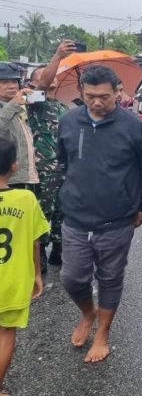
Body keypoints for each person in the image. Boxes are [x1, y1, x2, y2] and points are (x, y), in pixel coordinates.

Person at [57, 65, 142, 363]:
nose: (97, 102)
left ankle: (103, 333)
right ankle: (87, 314)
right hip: (76, 218)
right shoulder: (68, 122)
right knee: (72, 278)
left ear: (117, 91)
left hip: (116, 221)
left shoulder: (135, 127)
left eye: (104, 96)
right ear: (81, 93)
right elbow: (65, 163)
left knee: (110, 278)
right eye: (90, 96)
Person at [0, 138, 49, 396]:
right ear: (15, 165)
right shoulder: (26, 199)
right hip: (12, 282)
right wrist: (37, 275)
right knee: (6, 333)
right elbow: (34, 241)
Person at [26, 65, 69, 270]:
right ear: (33, 83)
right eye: (43, 76)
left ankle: (58, 251)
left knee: (64, 212)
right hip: (43, 171)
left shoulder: (63, 108)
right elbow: (41, 87)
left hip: (64, 170)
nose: (51, 78)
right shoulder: (33, 104)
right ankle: (40, 253)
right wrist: (58, 57)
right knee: (43, 212)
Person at [0, 62, 38, 191]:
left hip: (25, 178)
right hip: (5, 180)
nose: (11, 86)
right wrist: (13, 105)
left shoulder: (21, 105)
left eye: (14, 81)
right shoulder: (13, 105)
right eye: (4, 82)